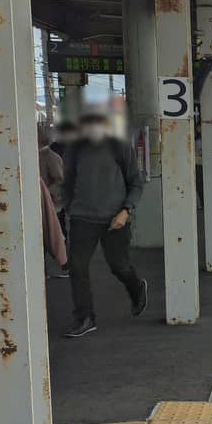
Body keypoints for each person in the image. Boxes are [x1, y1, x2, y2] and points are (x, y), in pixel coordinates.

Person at [62, 111, 148, 338]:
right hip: (82, 218)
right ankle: (85, 317)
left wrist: (126, 211)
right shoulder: (75, 149)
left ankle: (137, 287)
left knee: (118, 265)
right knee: (77, 267)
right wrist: (70, 207)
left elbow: (136, 184)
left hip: (115, 218)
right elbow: (67, 181)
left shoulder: (119, 147)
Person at [38, 124, 69, 278]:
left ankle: (64, 265)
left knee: (52, 236)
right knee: (48, 238)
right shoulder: (44, 155)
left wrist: (46, 192)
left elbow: (60, 180)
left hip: (52, 205)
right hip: (46, 204)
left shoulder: (50, 156)